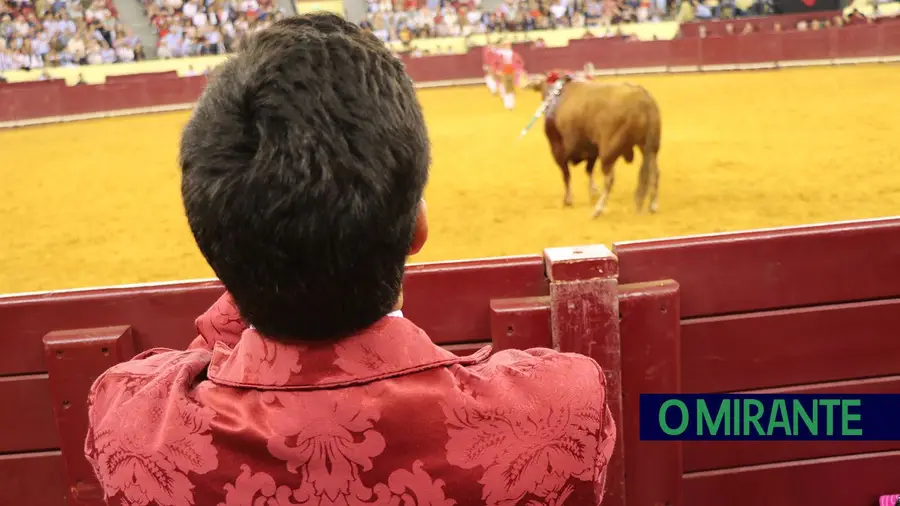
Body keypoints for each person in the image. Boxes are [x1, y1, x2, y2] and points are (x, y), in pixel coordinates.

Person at [83, 12, 616, 506]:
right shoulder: (562, 407)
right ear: (418, 228)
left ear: (211, 242)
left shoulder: (129, 422)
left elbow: (172, 367)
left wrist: (262, 256)